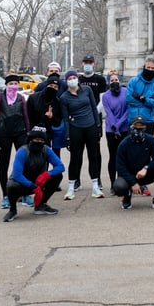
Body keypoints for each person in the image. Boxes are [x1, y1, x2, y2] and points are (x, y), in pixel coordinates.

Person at [3, 126, 65, 222]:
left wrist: (46, 175)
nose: (39, 142)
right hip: (23, 184)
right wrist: (32, 186)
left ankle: (41, 205)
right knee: (11, 185)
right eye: (36, 139)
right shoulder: (22, 151)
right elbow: (17, 175)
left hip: (39, 182)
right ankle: (12, 210)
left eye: (41, 140)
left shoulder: (46, 150)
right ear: (30, 140)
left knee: (57, 176)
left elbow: (60, 166)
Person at [59, 69, 103, 200]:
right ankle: (71, 187)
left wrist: (98, 125)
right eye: (69, 78)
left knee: (93, 156)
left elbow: (94, 109)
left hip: (90, 127)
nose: (72, 79)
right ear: (66, 81)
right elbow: (66, 119)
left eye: (74, 77)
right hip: (75, 128)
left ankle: (95, 186)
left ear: (78, 78)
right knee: (75, 158)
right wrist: (67, 136)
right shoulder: (64, 98)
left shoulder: (87, 90)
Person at [0, 75, 31, 210]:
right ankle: (6, 196)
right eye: (11, 83)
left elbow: (26, 117)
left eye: (15, 83)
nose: (13, 85)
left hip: (20, 133)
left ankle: (25, 194)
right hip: (4, 135)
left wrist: (28, 133)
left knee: (24, 164)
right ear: (6, 85)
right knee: (4, 165)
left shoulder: (21, 98)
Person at [114, 116, 154, 210]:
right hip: (129, 176)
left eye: (141, 127)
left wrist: (146, 168)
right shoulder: (124, 144)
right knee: (119, 186)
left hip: (144, 174)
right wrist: (133, 183)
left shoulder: (150, 140)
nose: (138, 130)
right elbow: (120, 167)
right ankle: (127, 196)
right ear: (131, 127)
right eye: (136, 127)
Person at [78, 55, 108, 191]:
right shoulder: (78, 79)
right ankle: (76, 180)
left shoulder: (100, 79)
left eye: (90, 62)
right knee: (77, 151)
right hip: (79, 119)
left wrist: (94, 112)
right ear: (82, 63)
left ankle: (97, 179)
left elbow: (103, 99)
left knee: (95, 152)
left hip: (95, 119)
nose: (88, 64)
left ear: (94, 64)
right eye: (86, 62)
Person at [101, 71, 129, 195]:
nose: (114, 82)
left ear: (120, 81)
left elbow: (127, 111)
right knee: (113, 157)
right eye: (111, 81)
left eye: (116, 80)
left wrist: (118, 126)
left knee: (123, 157)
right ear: (108, 82)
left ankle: (122, 182)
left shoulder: (126, 92)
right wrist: (114, 127)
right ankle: (113, 184)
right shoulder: (105, 96)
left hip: (124, 129)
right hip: (110, 130)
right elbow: (108, 113)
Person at [27, 74, 66, 158]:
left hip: (46, 136)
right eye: (51, 85)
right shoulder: (33, 98)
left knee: (44, 160)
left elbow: (57, 122)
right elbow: (27, 116)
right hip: (32, 134)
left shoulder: (58, 102)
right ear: (46, 85)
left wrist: (51, 117)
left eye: (55, 87)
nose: (53, 88)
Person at [126, 58, 154, 132]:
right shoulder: (133, 81)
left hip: (148, 121)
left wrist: (143, 99)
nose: (150, 70)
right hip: (133, 119)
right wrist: (147, 101)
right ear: (144, 67)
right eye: (148, 67)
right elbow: (128, 99)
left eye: (153, 68)